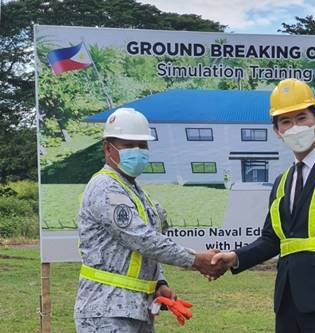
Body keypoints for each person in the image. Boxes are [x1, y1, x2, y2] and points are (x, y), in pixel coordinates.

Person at [212, 79, 315, 333]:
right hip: (288, 299)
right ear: (277, 131)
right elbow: (272, 239)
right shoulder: (282, 182)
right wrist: (235, 258)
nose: (295, 127)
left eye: (302, 117)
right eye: (286, 121)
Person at [74, 107, 224, 333]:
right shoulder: (105, 188)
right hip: (105, 311)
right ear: (107, 148)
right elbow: (142, 239)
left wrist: (160, 282)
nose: (137, 151)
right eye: (128, 145)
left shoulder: (133, 189)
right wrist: (197, 260)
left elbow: (145, 246)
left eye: (142, 145)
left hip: (136, 309)